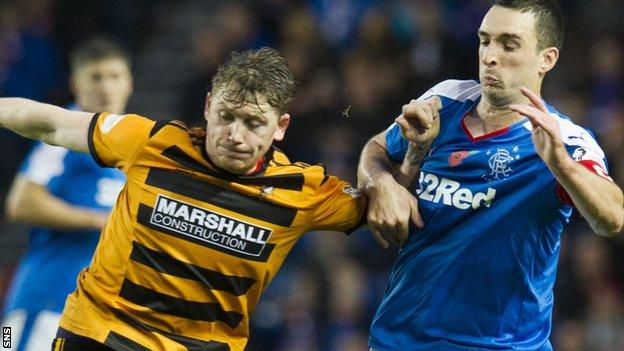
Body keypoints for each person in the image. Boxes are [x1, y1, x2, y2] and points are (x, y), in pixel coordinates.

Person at [0, 47, 365, 351]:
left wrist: (394, 168)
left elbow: (384, 208)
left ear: (281, 126)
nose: (234, 135)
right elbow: (50, 124)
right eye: (225, 116)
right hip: (100, 332)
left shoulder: (305, 190)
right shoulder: (151, 143)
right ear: (208, 106)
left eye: (253, 123)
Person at [357, 1, 624, 350]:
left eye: (508, 45)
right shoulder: (445, 100)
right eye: (485, 41)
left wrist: (562, 166)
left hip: (502, 345)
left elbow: (613, 218)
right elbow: (375, 149)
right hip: (402, 339)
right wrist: (381, 182)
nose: (490, 56)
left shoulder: (565, 140)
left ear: (547, 59)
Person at [1, 37, 132, 351]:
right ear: (76, 83)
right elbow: (21, 202)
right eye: (96, 77)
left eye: (115, 77)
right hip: (40, 301)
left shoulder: (128, 147)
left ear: (129, 83)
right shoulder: (63, 136)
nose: (106, 88)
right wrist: (101, 220)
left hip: (93, 315)